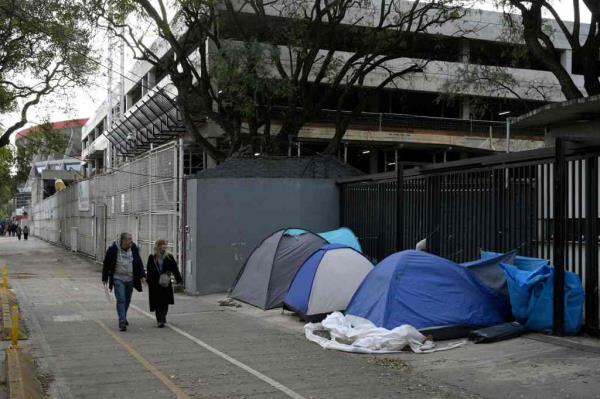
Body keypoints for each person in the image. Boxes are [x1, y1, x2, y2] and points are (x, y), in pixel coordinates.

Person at [102, 233, 146, 331]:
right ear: (123, 241)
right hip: (118, 278)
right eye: (129, 239)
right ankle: (122, 321)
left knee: (127, 300)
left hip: (130, 279)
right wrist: (104, 278)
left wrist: (142, 275)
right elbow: (106, 264)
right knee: (121, 299)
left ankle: (123, 316)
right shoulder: (113, 249)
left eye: (131, 239)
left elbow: (139, 262)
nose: (131, 241)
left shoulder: (133, 248)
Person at [146, 239, 182, 328]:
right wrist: (148, 281)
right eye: (163, 245)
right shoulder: (152, 257)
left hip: (165, 282)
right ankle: (160, 320)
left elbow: (175, 269)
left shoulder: (169, 257)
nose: (165, 246)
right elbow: (149, 270)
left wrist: (179, 280)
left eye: (166, 244)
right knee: (158, 302)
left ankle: (163, 316)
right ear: (158, 246)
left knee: (165, 301)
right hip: (155, 283)